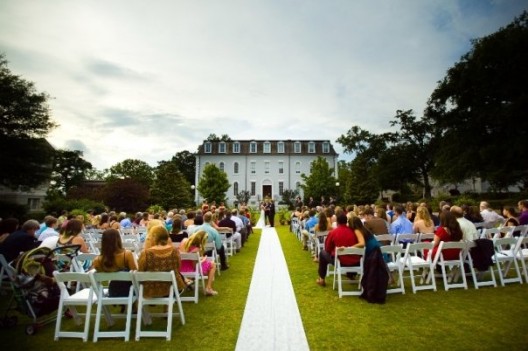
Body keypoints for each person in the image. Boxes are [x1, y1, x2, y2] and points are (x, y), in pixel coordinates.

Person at [137, 225, 185, 297]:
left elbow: (140, 271)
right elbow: (178, 268)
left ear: (154, 237)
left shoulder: (146, 253)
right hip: (173, 288)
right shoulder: (174, 251)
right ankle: (167, 307)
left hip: (150, 290)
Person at [316, 213, 360, 287]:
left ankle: (322, 279)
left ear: (337, 222)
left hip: (340, 261)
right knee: (349, 255)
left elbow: (327, 249)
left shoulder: (333, 232)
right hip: (355, 261)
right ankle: (351, 275)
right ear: (346, 221)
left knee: (322, 253)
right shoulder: (354, 231)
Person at [92, 229, 138, 296]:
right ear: (118, 239)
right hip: (130, 291)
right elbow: (135, 274)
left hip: (112, 291)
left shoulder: (97, 260)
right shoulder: (126, 255)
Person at [179, 230, 218, 296]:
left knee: (210, 264)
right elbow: (195, 265)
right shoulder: (196, 249)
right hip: (191, 269)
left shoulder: (184, 241)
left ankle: (191, 283)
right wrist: (204, 259)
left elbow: (187, 256)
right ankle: (208, 288)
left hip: (181, 268)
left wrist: (199, 258)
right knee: (213, 265)